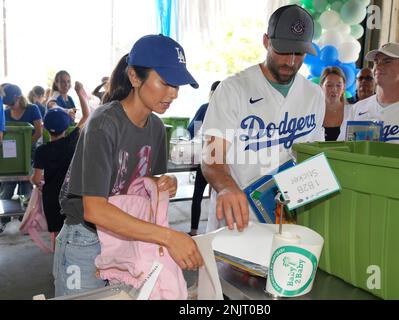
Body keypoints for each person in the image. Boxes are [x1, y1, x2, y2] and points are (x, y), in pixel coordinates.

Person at [53, 34, 204, 297]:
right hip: (85, 238)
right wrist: (168, 237)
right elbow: (95, 210)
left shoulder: (157, 127)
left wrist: (162, 184)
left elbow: (142, 186)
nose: (174, 94)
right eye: (166, 82)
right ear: (135, 77)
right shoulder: (104, 123)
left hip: (125, 239)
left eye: (178, 85)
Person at [201, 4, 325, 233]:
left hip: (292, 218)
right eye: (283, 50)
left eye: (298, 53)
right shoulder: (233, 89)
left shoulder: (314, 94)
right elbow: (212, 157)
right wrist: (226, 187)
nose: (290, 61)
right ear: (266, 41)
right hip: (239, 218)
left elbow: (315, 155)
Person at [31, 81, 90, 242]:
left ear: (44, 127)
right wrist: (80, 92)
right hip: (71, 195)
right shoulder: (71, 142)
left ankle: (59, 263)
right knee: (73, 230)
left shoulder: (41, 151)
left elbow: (36, 179)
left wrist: (39, 184)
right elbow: (86, 115)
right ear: (66, 127)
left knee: (57, 235)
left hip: (51, 198)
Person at [186, 80, 220, 236]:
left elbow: (191, 130)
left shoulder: (205, 108)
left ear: (211, 93)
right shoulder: (229, 110)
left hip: (205, 160)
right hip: (222, 161)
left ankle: (194, 231)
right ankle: (219, 232)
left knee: (197, 196)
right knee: (219, 197)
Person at [0, 84, 42, 202]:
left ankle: (25, 217)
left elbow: (38, 132)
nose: (8, 106)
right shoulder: (5, 113)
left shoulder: (32, 109)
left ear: (17, 97)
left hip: (28, 153)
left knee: (26, 189)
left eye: (10, 103)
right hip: (10, 155)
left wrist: (24, 148)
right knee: (6, 189)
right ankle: (5, 219)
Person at [320, 67, 353, 141]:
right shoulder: (314, 110)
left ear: (344, 87)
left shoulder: (352, 111)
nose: (334, 89)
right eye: (329, 85)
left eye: (338, 85)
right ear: (321, 86)